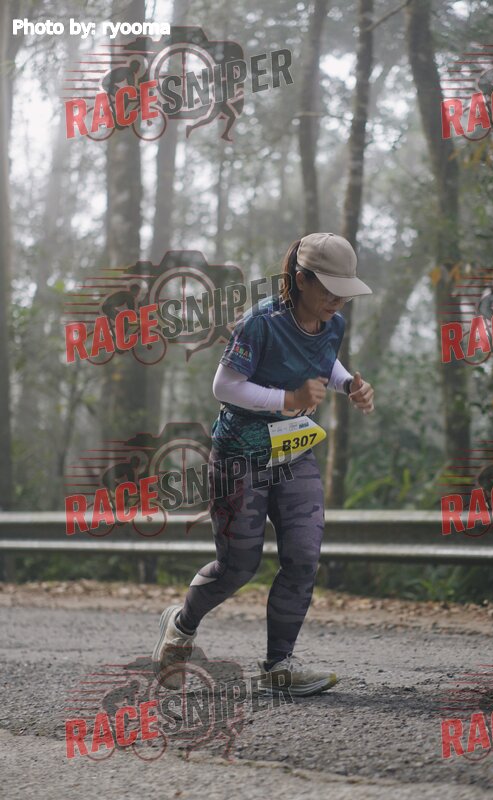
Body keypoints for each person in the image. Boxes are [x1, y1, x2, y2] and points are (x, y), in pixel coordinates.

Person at [152, 233, 375, 697]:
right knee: (238, 567)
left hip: (294, 452)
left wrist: (348, 384)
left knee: (303, 557)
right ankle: (181, 623)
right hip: (240, 456)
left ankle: (279, 665)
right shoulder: (260, 322)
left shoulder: (332, 322)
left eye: (344, 290)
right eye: (329, 288)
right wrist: (288, 398)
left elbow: (325, 360)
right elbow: (224, 386)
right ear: (301, 279)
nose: (337, 299)